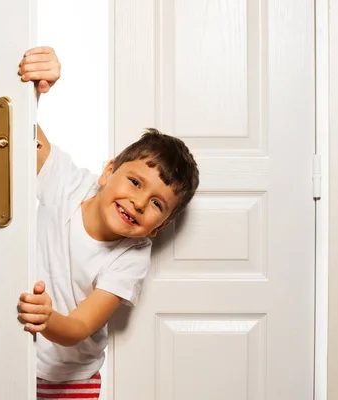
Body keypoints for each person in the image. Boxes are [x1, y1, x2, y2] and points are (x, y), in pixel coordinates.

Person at [15, 46, 200, 399]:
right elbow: (21, 133)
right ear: (108, 171)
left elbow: (80, 326)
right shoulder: (68, 184)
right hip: (13, 358)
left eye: (157, 204)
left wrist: (46, 317)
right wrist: (38, 85)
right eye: (134, 182)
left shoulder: (131, 256)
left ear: (158, 228)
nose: (138, 202)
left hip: (71, 380)